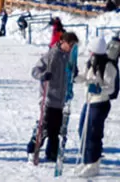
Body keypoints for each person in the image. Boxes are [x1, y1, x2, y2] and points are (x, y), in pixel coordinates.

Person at [28, 31, 80, 162]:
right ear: (63, 42)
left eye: (74, 45)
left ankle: (52, 153)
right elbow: (35, 70)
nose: (71, 47)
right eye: (70, 44)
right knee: (44, 127)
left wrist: (74, 73)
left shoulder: (70, 57)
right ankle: (32, 150)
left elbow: (71, 73)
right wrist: (43, 75)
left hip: (61, 100)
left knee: (56, 130)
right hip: (49, 98)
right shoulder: (52, 55)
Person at [75, 37, 118, 177]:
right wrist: (75, 76)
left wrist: (99, 89)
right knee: (82, 130)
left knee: (93, 132)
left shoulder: (108, 66)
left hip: (100, 103)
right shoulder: (90, 63)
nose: (89, 53)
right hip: (89, 101)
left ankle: (93, 163)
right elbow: (85, 77)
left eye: (91, 51)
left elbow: (110, 87)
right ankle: (86, 159)